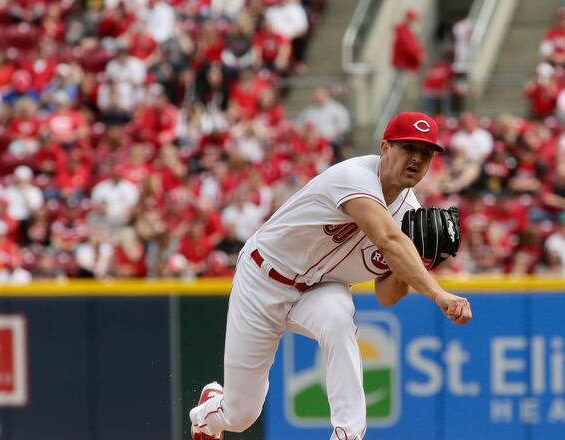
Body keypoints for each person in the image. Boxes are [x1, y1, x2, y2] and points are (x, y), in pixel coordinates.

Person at [189, 112, 472, 440]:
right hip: (263, 280)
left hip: (319, 289)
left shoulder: (410, 215)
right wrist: (439, 294)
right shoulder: (354, 176)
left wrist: (416, 265)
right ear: (385, 148)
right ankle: (208, 412)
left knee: (338, 317)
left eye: (426, 153)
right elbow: (388, 239)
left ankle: (348, 433)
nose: (417, 158)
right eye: (409, 147)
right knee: (239, 415)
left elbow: (386, 295)